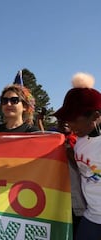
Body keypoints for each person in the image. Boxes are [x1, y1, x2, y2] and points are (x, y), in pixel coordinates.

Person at [54, 72, 101, 240]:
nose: (70, 124)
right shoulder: (80, 140)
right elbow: (85, 168)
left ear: (95, 116)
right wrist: (69, 154)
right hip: (91, 217)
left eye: (74, 118)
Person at [57, 120, 86, 237]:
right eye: (61, 119)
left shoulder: (82, 142)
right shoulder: (54, 142)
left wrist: (70, 153)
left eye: (69, 119)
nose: (65, 122)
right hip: (58, 203)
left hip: (79, 204)